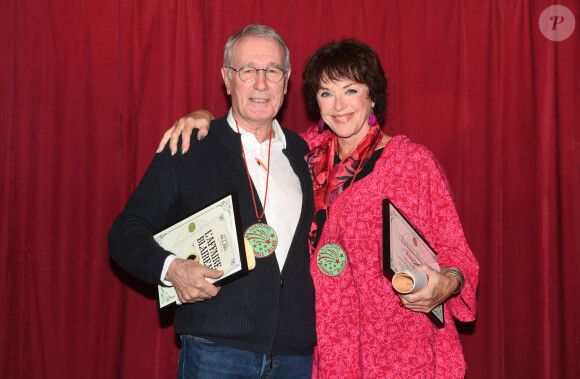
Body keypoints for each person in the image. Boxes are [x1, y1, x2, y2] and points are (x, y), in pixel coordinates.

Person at [159, 40, 479, 378]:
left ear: (372, 97)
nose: (339, 105)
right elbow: (248, 132)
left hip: (399, 343)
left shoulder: (412, 162)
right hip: (328, 347)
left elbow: (456, 252)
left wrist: (447, 283)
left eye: (351, 90)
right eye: (326, 93)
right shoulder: (302, 155)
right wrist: (202, 117)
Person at [109, 24, 316, 378]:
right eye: (248, 70)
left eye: (273, 71)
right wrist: (172, 269)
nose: (261, 83)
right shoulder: (190, 145)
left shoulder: (304, 153)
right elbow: (125, 233)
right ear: (227, 78)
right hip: (216, 352)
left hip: (294, 357)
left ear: (287, 80)